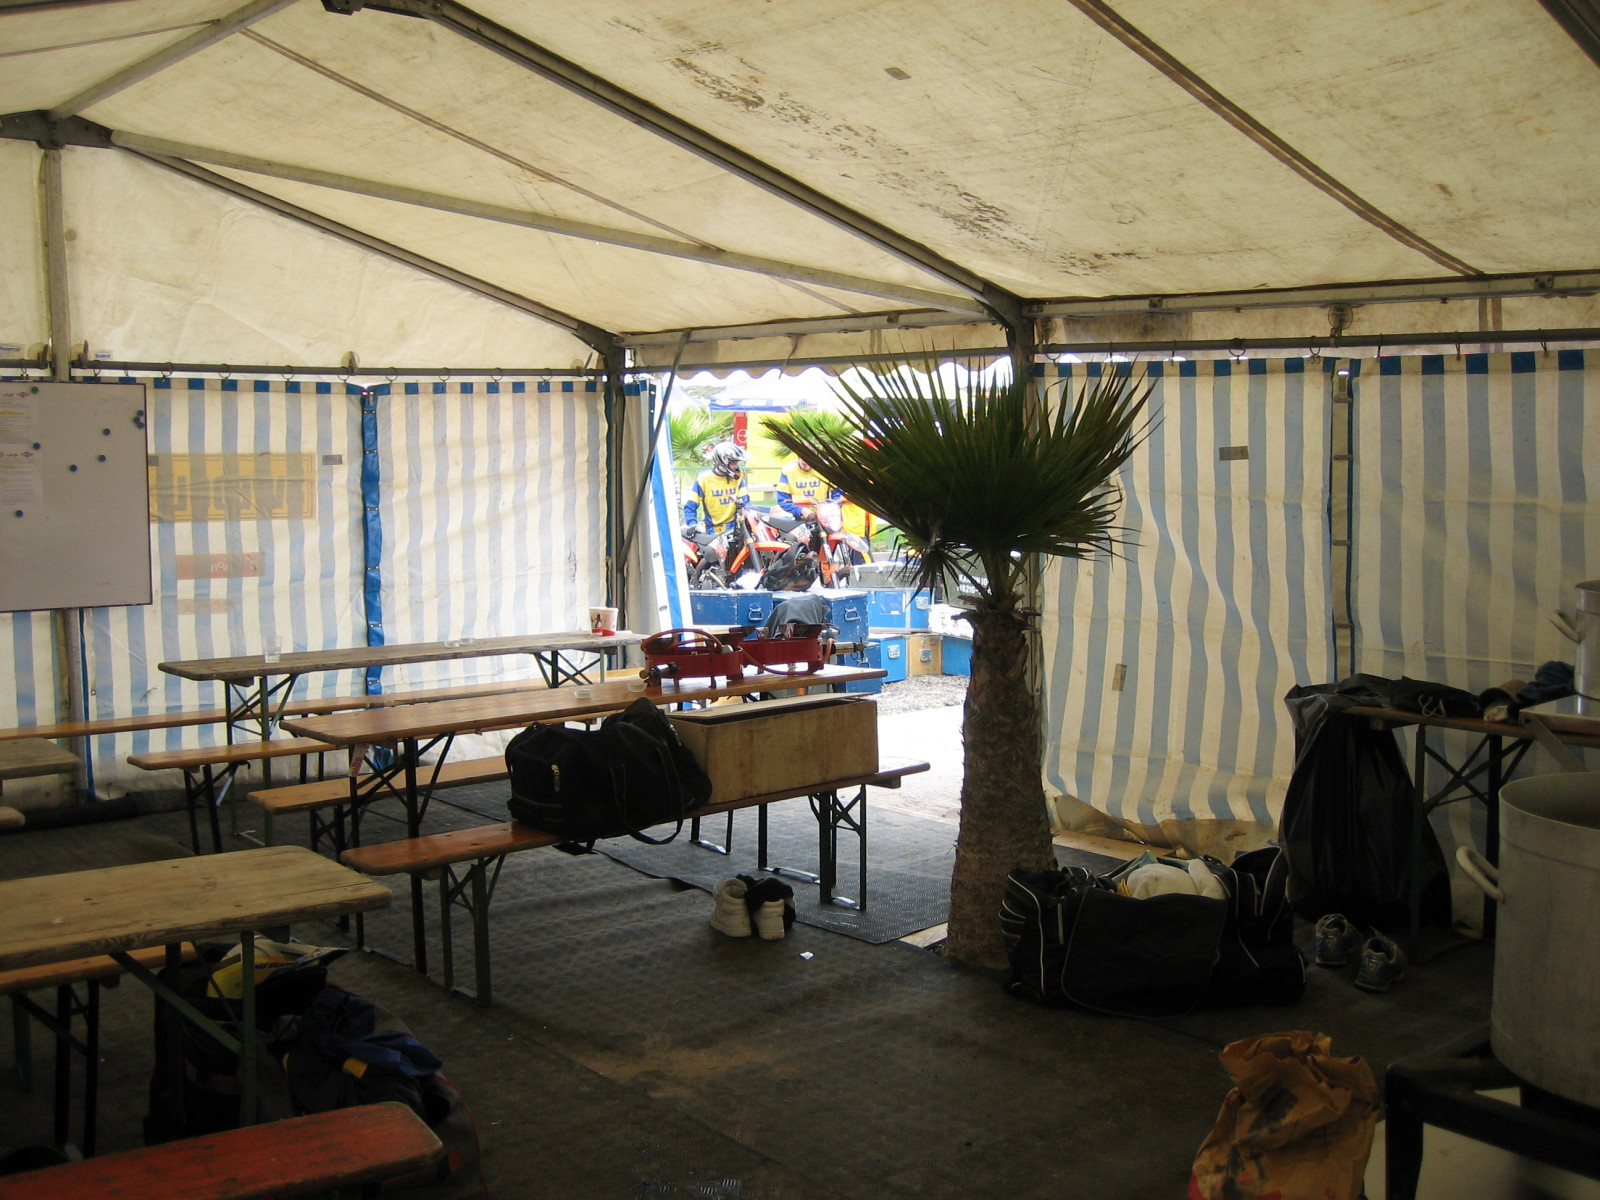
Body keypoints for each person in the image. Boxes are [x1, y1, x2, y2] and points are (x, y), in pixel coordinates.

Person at [683, 441, 748, 535]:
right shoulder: (704, 479)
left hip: (734, 529)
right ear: (722, 462)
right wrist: (692, 524)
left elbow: (746, 502)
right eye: (733, 463)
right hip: (711, 531)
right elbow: (690, 506)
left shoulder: (738, 478)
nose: (736, 467)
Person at [774, 457, 842, 520]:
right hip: (797, 518)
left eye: (811, 464)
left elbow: (839, 493)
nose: (808, 467)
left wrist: (831, 507)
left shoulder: (826, 468)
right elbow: (783, 500)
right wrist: (800, 510)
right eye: (804, 464)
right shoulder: (788, 471)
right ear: (799, 457)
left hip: (824, 517)